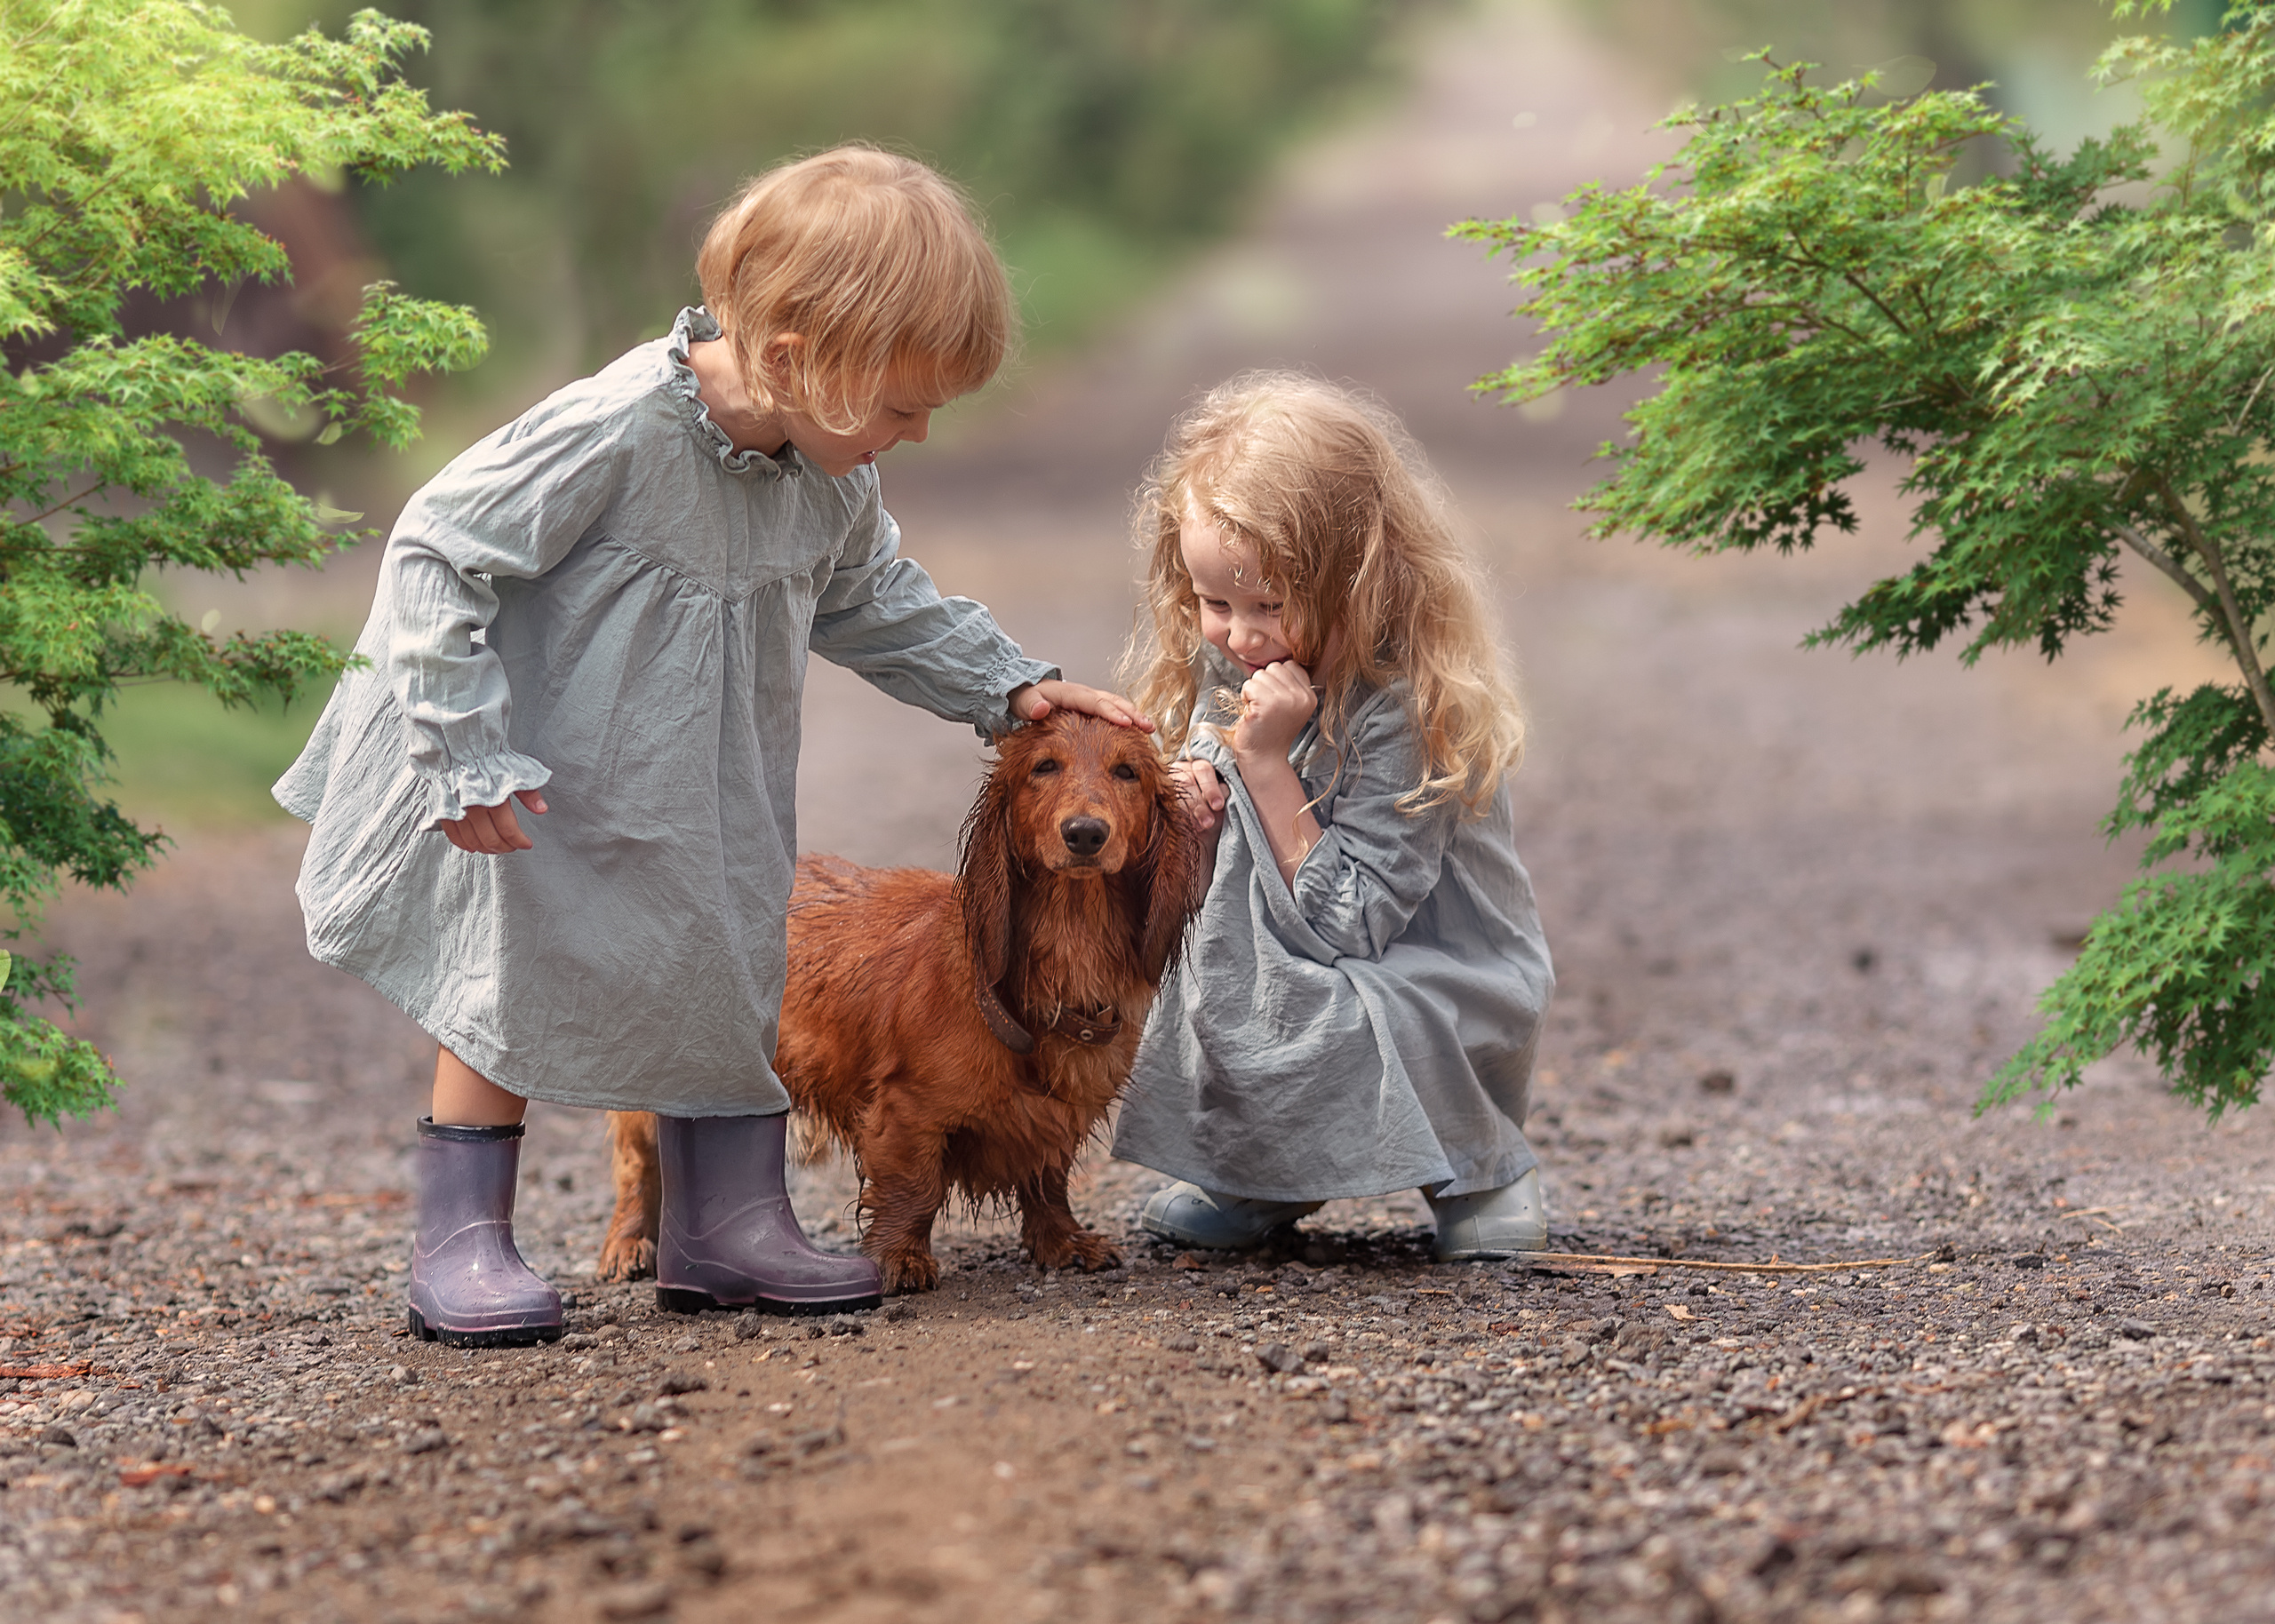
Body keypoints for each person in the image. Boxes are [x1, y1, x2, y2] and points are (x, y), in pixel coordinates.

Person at [275, 147, 1143, 1346]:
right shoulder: (613, 430)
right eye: (901, 407)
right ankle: (461, 1236)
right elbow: (439, 546)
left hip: (695, 775)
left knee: (730, 944)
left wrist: (1012, 687)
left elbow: (873, 600)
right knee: (501, 973)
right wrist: (459, 748)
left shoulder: (828, 477)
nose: (916, 433)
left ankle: (723, 1220)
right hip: (531, 763)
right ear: (794, 358)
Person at [1111, 372, 1554, 1260]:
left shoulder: (1406, 707)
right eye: (1215, 603)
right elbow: (1209, 780)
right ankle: (1261, 1170)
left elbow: (1352, 922)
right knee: (1215, 984)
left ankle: (1480, 1167)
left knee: (1362, 1012)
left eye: (1270, 605)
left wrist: (1266, 764)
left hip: (1423, 964)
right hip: (1288, 945)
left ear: (1360, 579)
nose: (1241, 636)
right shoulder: (1236, 666)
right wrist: (1194, 798)